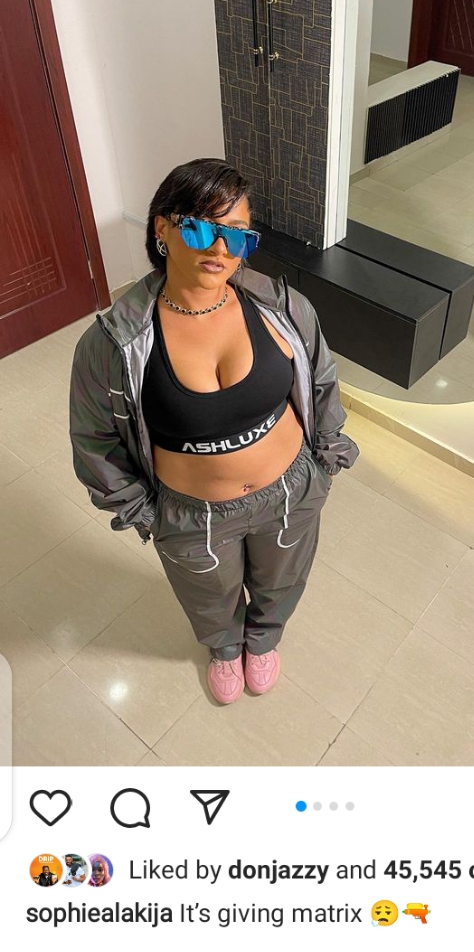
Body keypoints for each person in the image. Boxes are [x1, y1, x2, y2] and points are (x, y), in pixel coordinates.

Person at [70, 158, 359, 705]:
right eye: (203, 229)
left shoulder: (281, 306)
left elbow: (321, 379)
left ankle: (263, 639)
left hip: (292, 490)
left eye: (238, 236)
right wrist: (144, 512)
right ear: (163, 229)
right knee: (207, 592)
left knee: (282, 579)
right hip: (191, 513)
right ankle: (224, 647)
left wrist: (324, 460)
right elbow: (94, 442)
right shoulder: (113, 342)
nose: (221, 249)